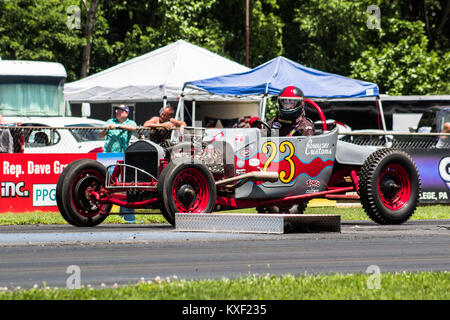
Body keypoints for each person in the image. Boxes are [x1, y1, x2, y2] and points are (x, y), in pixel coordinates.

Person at [98, 104, 137, 223]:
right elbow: (100, 135)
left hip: (122, 157)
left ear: (126, 113)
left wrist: (118, 126)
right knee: (105, 184)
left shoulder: (130, 122)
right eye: (117, 111)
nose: (118, 112)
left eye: (121, 111)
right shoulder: (109, 121)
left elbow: (134, 129)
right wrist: (106, 129)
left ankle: (126, 216)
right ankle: (101, 212)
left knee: (123, 186)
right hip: (107, 157)